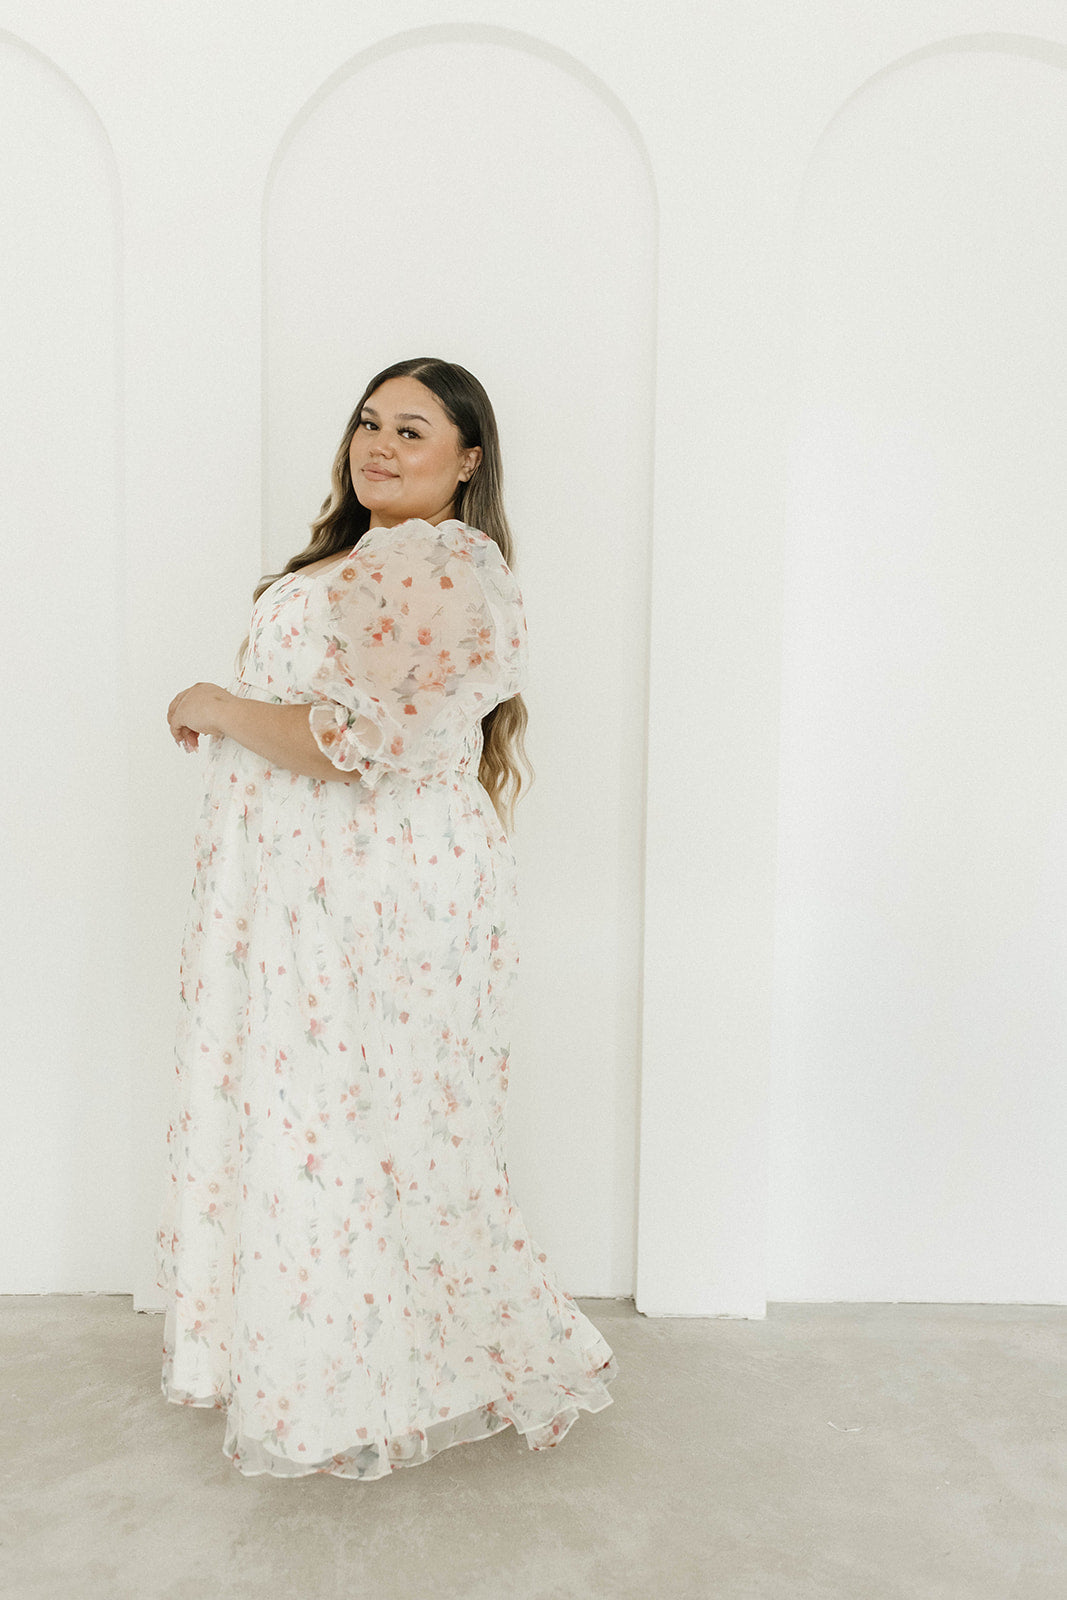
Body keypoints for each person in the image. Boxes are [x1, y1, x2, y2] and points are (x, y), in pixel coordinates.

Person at [155, 357, 618, 1479]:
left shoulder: (432, 563)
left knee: (356, 1122)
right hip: (312, 882)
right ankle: (332, 1365)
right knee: (329, 1124)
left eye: (413, 430)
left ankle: (362, 1382)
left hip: (372, 891)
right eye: (369, 422)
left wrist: (215, 704)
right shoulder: (359, 560)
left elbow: (349, 744)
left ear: (467, 460)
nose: (379, 445)